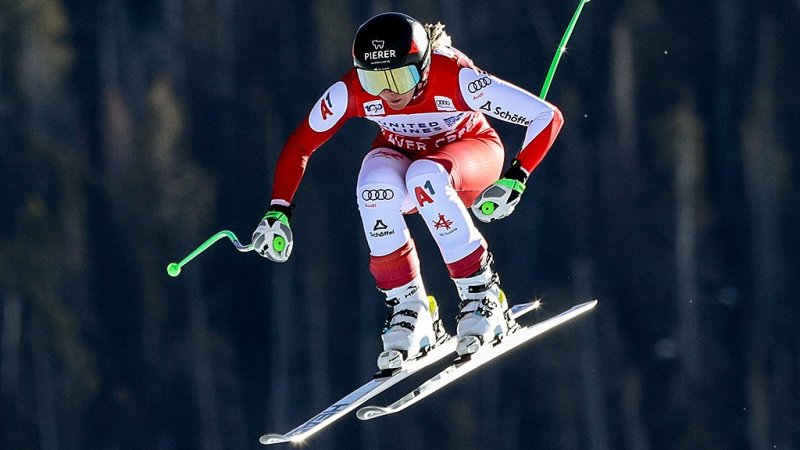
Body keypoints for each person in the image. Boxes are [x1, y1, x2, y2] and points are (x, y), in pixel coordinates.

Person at [252, 12, 563, 371]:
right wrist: (279, 209)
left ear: (424, 67)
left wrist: (517, 176)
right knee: (373, 186)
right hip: (406, 156)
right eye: (373, 80)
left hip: (470, 154)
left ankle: (482, 295)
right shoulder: (351, 90)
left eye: (401, 78)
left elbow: (547, 116)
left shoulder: (456, 77)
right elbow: (300, 145)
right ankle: (409, 309)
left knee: (425, 177)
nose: (388, 93)